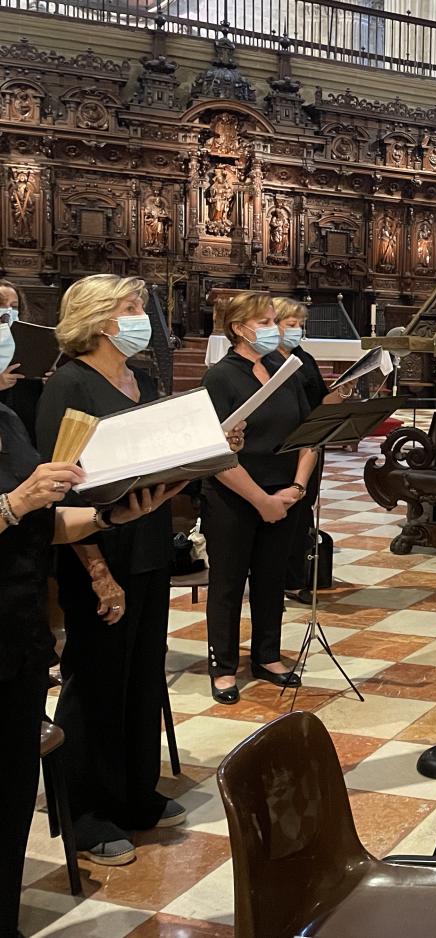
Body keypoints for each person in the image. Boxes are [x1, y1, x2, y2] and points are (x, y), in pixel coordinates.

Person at [1, 370, 182, 930]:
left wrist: (108, 516)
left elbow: (44, 523)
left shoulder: (6, 419)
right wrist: (11, 503)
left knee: (9, 799)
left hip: (18, 635)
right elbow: (18, 509)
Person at [35, 275, 191, 866]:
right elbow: (62, 495)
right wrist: (100, 573)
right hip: (96, 555)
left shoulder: (141, 378)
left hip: (147, 545)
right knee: (96, 682)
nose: (141, 317)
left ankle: (132, 794)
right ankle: (86, 811)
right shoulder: (69, 386)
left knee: (142, 675)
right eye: (130, 309)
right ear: (101, 320)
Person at [202, 292, 318, 705]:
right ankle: (223, 666)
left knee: (271, 578)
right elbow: (214, 453)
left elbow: (310, 434)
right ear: (239, 328)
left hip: (286, 492)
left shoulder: (287, 369)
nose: (274, 328)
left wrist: (298, 489)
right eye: (266, 321)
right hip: (234, 495)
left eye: (274, 320)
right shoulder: (221, 377)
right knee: (229, 582)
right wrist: (260, 499)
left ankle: (267, 655)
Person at [273, 298, 345, 606]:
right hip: (280, 447)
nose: (297, 331)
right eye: (291, 325)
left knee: (303, 513)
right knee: (279, 515)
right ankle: (273, 577)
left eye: (301, 325)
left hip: (310, 445)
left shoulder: (305, 358)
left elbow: (319, 399)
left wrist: (341, 392)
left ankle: (293, 577)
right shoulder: (264, 361)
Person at [0, 282, 43, 439]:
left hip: (25, 429)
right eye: (1, 304)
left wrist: (47, 380)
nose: (8, 310)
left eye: (14, 306)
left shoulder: (29, 341)